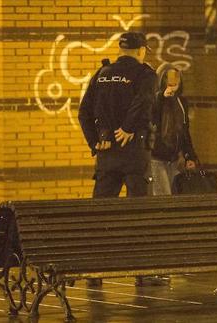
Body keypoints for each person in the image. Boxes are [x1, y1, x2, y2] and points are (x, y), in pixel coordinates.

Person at [78, 32, 161, 287]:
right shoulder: (145, 74)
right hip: (134, 151)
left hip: (106, 153)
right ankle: (142, 272)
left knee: (101, 213)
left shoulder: (102, 74)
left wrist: (95, 143)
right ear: (140, 50)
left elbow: (84, 112)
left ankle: (95, 272)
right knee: (139, 212)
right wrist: (128, 127)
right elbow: (144, 101)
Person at [150, 63, 197, 195]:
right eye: (170, 84)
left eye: (175, 84)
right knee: (163, 195)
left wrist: (189, 156)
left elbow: (184, 130)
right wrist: (161, 97)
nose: (172, 88)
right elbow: (152, 118)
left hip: (175, 158)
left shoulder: (181, 102)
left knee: (174, 196)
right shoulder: (155, 99)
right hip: (157, 157)